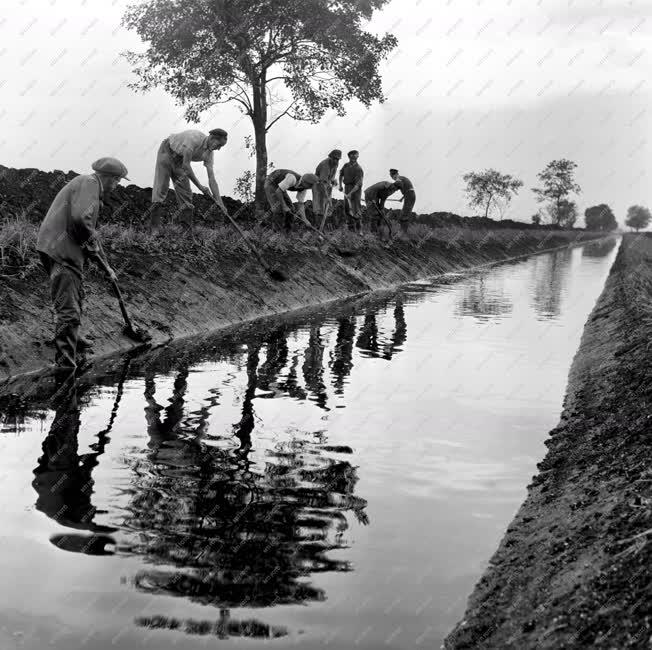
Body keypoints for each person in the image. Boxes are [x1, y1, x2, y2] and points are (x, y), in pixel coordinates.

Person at [36, 157, 128, 370]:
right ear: (109, 178)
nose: (116, 187)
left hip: (60, 248)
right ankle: (65, 362)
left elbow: (91, 233)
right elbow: (80, 221)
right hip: (61, 250)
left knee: (76, 293)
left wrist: (106, 266)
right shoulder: (90, 183)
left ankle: (74, 338)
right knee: (68, 306)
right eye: (117, 182)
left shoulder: (90, 189)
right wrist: (94, 252)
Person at [150, 128, 228, 233]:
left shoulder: (209, 154)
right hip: (167, 151)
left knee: (186, 194)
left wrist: (220, 202)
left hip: (180, 161)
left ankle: (186, 232)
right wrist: (200, 187)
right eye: (219, 145)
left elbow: (212, 179)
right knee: (161, 187)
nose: (218, 149)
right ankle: (154, 228)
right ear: (212, 138)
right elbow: (186, 166)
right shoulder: (193, 138)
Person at [313, 149, 342, 230]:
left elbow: (331, 177)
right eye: (334, 158)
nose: (336, 160)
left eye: (337, 159)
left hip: (327, 184)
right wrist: (327, 197)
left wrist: (334, 180)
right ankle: (319, 229)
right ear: (330, 157)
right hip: (318, 186)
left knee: (328, 207)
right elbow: (322, 183)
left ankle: (326, 228)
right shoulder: (325, 165)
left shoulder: (336, 164)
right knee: (320, 207)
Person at [339, 150, 364, 232]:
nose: (353, 158)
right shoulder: (346, 165)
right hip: (347, 188)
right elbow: (341, 174)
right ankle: (351, 229)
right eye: (351, 157)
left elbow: (358, 185)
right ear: (349, 157)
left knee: (356, 208)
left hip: (356, 191)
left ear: (357, 157)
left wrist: (350, 193)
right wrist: (340, 185)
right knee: (347, 208)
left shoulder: (358, 169)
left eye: (355, 157)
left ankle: (359, 229)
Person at [389, 168, 416, 233]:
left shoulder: (399, 178)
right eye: (392, 177)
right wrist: (402, 198)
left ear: (396, 174)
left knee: (404, 215)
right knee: (404, 214)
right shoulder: (402, 178)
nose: (393, 178)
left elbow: (397, 185)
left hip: (409, 196)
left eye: (393, 176)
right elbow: (408, 189)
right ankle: (403, 232)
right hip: (409, 195)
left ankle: (403, 233)